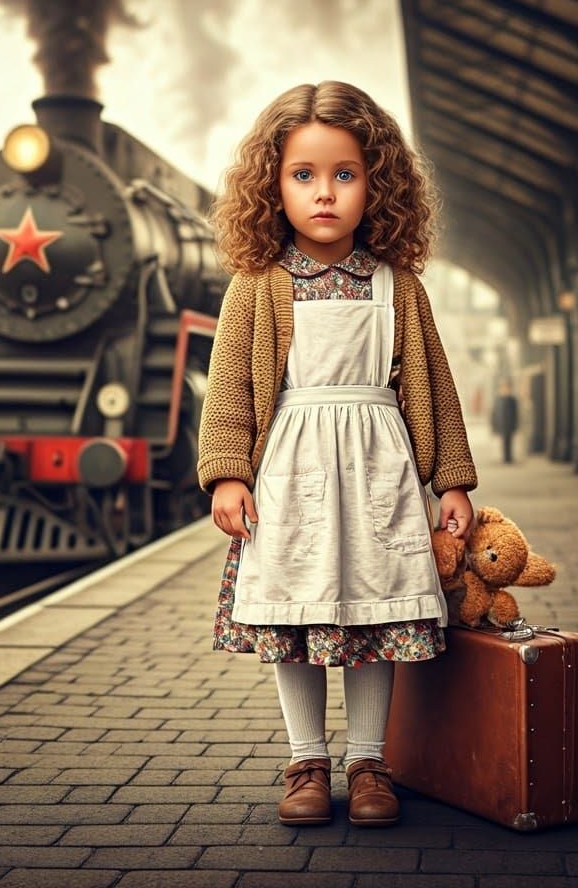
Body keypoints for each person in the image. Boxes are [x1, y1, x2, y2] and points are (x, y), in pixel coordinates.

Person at [197, 80, 478, 828]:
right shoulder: (257, 285)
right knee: (295, 616)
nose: (325, 192)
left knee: (375, 615)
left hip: (381, 473)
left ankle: (369, 762)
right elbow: (229, 388)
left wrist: (451, 480)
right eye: (304, 174)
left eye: (345, 174)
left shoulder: (398, 286)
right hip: (289, 474)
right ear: (272, 185)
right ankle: (305, 762)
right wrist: (226, 474)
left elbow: (433, 387)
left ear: (377, 183)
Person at [491, 380, 519, 463]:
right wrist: (494, 425)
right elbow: (494, 413)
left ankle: (509, 457)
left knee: (509, 441)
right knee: (503, 441)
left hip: (509, 424)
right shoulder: (498, 399)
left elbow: (515, 413)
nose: (504, 389)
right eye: (503, 387)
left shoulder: (512, 399)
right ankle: (505, 457)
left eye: (506, 387)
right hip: (501, 424)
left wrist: (515, 424)